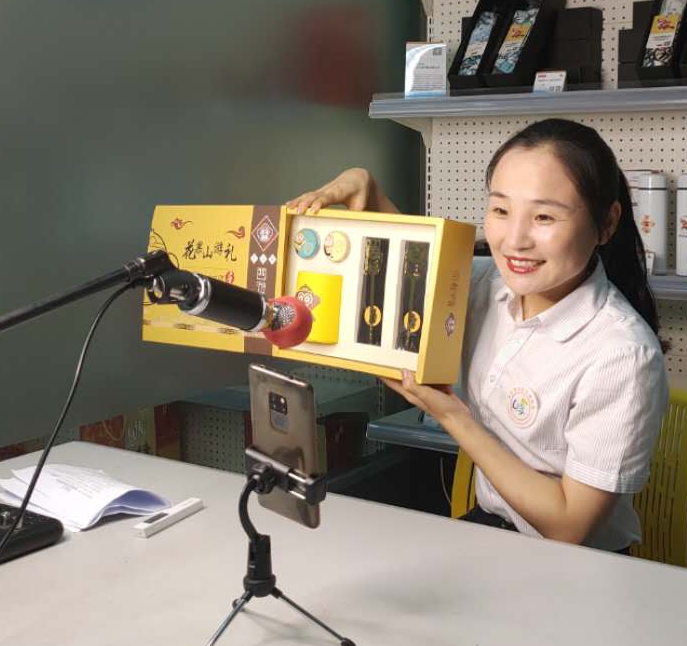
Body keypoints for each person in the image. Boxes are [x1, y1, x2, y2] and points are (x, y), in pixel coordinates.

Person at [286, 119, 667, 552]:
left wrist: (454, 418)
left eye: (544, 216)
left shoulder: (623, 355)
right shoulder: (487, 285)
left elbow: (569, 527)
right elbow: (412, 264)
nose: (514, 240)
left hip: (578, 565)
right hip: (492, 532)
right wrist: (367, 188)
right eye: (501, 210)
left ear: (607, 222)